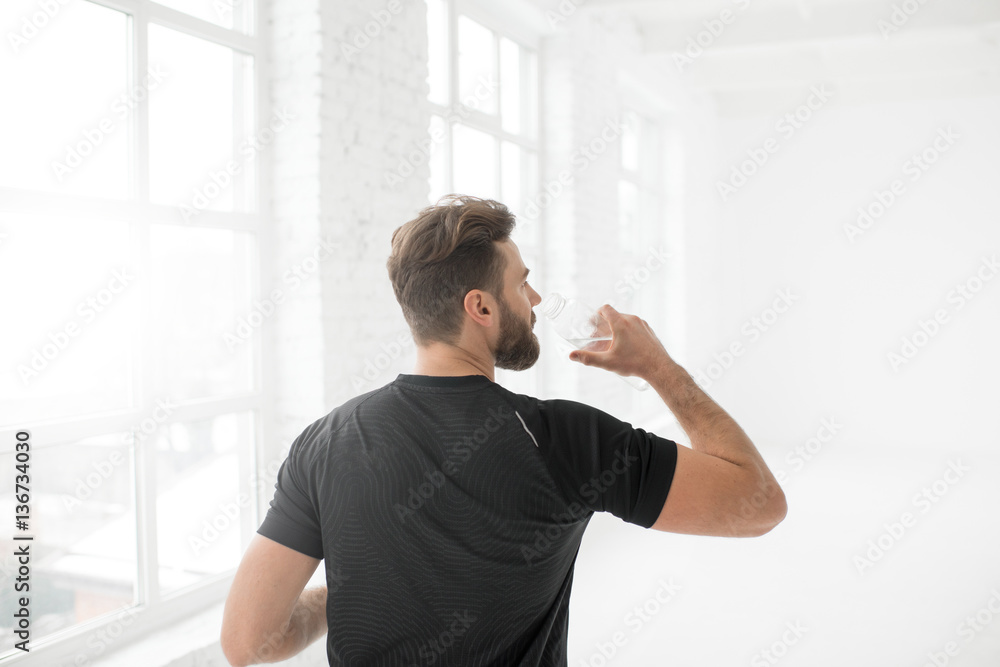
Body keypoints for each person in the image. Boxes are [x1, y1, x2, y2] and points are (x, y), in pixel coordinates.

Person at [220, 195, 787, 667]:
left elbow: (248, 642)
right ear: (481, 308)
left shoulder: (325, 441)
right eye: (523, 284)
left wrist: (344, 589)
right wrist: (659, 369)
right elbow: (759, 505)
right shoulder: (566, 439)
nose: (536, 301)